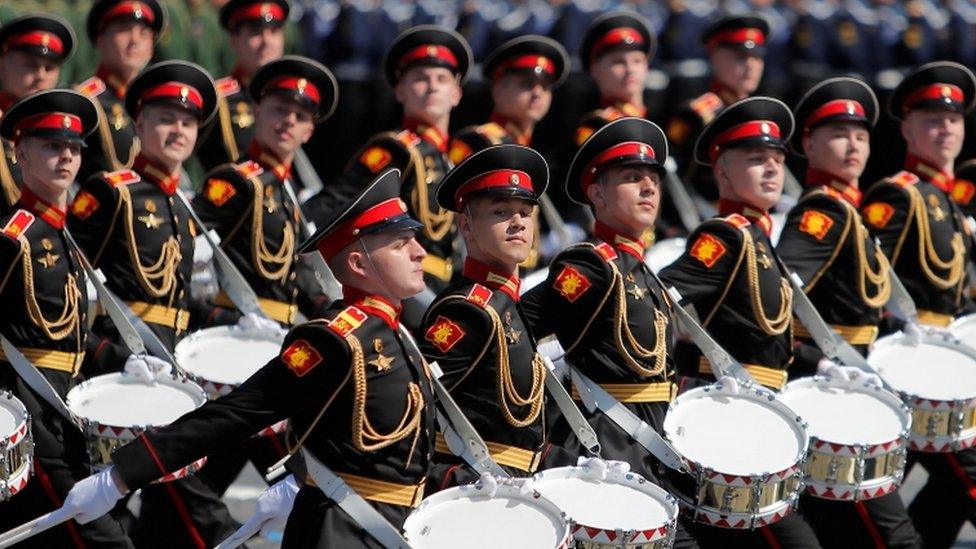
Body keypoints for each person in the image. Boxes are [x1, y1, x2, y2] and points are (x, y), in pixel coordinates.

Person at [57, 168, 436, 548]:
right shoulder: (334, 339)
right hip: (343, 532)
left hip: (384, 526)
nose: (419, 251)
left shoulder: (395, 332)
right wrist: (122, 475)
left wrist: (300, 477)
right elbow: (238, 413)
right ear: (358, 264)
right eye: (401, 244)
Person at [67, 60, 248, 548]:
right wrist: (109, 353)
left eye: (188, 122)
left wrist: (236, 325)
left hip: (170, 365)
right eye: (166, 119)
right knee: (185, 503)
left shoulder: (181, 203)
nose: (179, 131)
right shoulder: (112, 193)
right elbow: (66, 279)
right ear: (139, 124)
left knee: (137, 503)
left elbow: (181, 300)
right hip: (124, 366)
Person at [520, 117, 698, 548]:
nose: (649, 188)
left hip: (654, 448)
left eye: (653, 178)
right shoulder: (590, 266)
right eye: (632, 178)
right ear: (597, 193)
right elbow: (515, 330)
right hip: (612, 449)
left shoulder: (639, 268)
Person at [658, 97, 821, 547]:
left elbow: (769, 338)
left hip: (763, 412)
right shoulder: (725, 235)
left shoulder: (759, 238)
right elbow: (662, 293)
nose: (771, 168)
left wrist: (822, 366)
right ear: (723, 171)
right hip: (732, 418)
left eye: (776, 159)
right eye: (755, 160)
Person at [776, 77, 922, 548]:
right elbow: (774, 299)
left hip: (857, 381)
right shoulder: (822, 212)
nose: (853, 145)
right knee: (892, 535)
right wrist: (810, 360)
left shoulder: (849, 210)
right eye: (839, 135)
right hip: (834, 389)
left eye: (860, 135)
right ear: (808, 144)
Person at [0, 89, 136, 548]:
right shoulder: (13, 237)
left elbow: (74, 336)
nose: (66, 157)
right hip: (29, 417)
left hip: (68, 412)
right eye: (52, 146)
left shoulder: (64, 237)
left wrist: (124, 361)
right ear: (20, 153)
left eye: (74, 148)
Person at [860, 60, 976, 548]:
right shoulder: (899, 194)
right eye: (930, 118)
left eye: (952, 119)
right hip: (914, 367)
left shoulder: (948, 198)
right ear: (906, 128)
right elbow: (862, 273)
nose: (944, 128)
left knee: (952, 488)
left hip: (950, 367)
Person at [306, 25, 472, 328]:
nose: (432, 87)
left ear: (457, 92)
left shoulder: (454, 156)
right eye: (420, 79)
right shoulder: (396, 148)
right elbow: (334, 203)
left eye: (441, 79)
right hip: (406, 291)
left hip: (444, 284)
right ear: (399, 90)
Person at [420, 144, 549, 489]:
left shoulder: (509, 305)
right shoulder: (466, 310)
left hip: (519, 487)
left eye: (526, 211)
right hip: (476, 489)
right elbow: (414, 404)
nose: (518, 222)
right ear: (466, 225)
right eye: (501, 212)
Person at [193, 55, 338, 327]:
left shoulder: (286, 188)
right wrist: (205, 312)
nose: (289, 121)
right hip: (239, 325)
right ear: (257, 112)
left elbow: (290, 269)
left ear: (309, 131)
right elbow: (184, 236)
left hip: (283, 327)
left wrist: (326, 307)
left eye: (300, 116)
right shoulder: (236, 180)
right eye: (280, 110)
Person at [448, 35, 569, 270]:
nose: (537, 93)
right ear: (498, 90)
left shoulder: (529, 150)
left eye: (544, 86)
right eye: (526, 84)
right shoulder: (478, 142)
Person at [665, 14, 769, 210]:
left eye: (757, 57)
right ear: (714, 57)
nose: (750, 65)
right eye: (740, 57)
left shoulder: (763, 114)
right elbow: (674, 177)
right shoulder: (697, 115)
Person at [76, 0, 167, 183]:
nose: (134, 40)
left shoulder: (157, 100)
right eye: (124, 30)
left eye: (143, 33)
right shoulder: (85, 102)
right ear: (101, 40)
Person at [195, 0, 289, 174]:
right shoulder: (218, 99)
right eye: (255, 32)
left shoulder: (292, 98)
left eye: (274, 32)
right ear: (234, 40)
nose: (266, 41)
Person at [0, 14, 76, 213]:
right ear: (2, 66)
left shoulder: (65, 127)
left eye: (49, 67)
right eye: (30, 65)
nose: (41, 75)